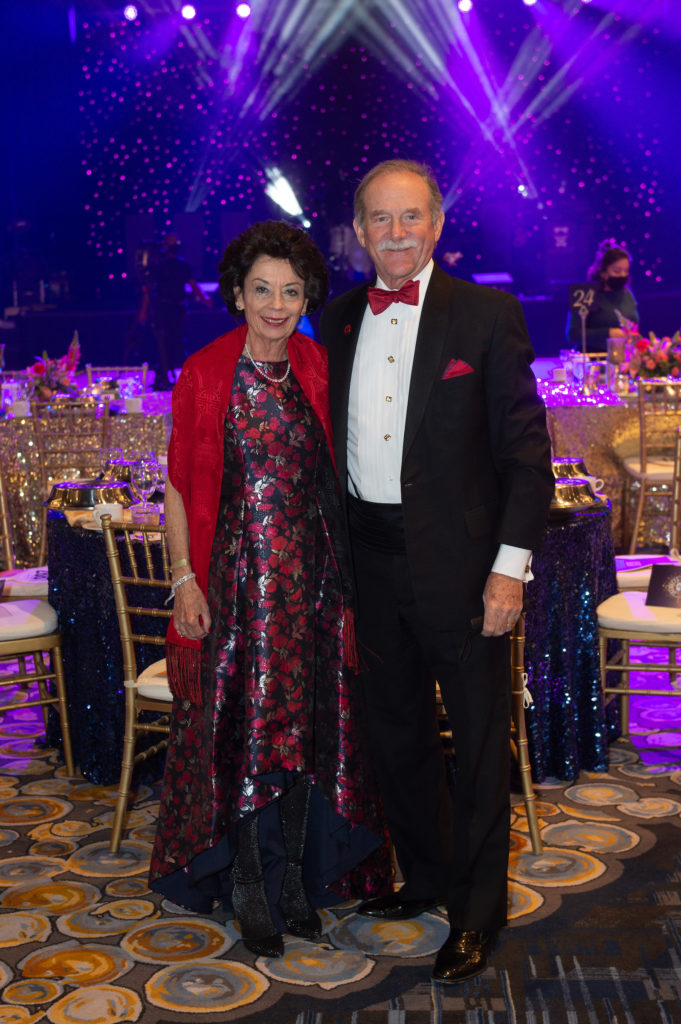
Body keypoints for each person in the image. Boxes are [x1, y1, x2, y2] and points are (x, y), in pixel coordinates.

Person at [320, 160, 554, 984]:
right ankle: (421, 878)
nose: (394, 234)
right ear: (357, 230)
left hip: (463, 573)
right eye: (378, 219)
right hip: (368, 567)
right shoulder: (336, 318)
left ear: (437, 223)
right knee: (397, 739)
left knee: (480, 747)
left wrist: (507, 572)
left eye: (408, 217)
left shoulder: (485, 315)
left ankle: (476, 914)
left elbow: (528, 460)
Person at [149, 220, 391, 958]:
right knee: (247, 736)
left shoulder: (320, 368)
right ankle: (250, 882)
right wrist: (184, 579)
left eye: (290, 292)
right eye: (262, 290)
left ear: (306, 296)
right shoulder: (204, 372)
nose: (276, 305)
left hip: (314, 587)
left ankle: (291, 881)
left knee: (306, 738)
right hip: (235, 588)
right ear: (237, 293)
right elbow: (177, 487)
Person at [152, 233, 208, 389]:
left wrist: (204, 299)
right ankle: (166, 373)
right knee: (170, 343)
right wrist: (204, 299)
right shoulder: (162, 266)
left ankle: (171, 374)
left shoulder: (178, 265)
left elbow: (193, 285)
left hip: (175, 309)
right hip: (167, 308)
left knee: (174, 342)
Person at [565, 239, 639, 351]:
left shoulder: (627, 293)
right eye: (617, 271)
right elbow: (572, 334)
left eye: (626, 271)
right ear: (603, 272)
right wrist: (608, 333)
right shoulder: (586, 293)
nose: (623, 275)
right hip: (593, 361)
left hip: (624, 359)